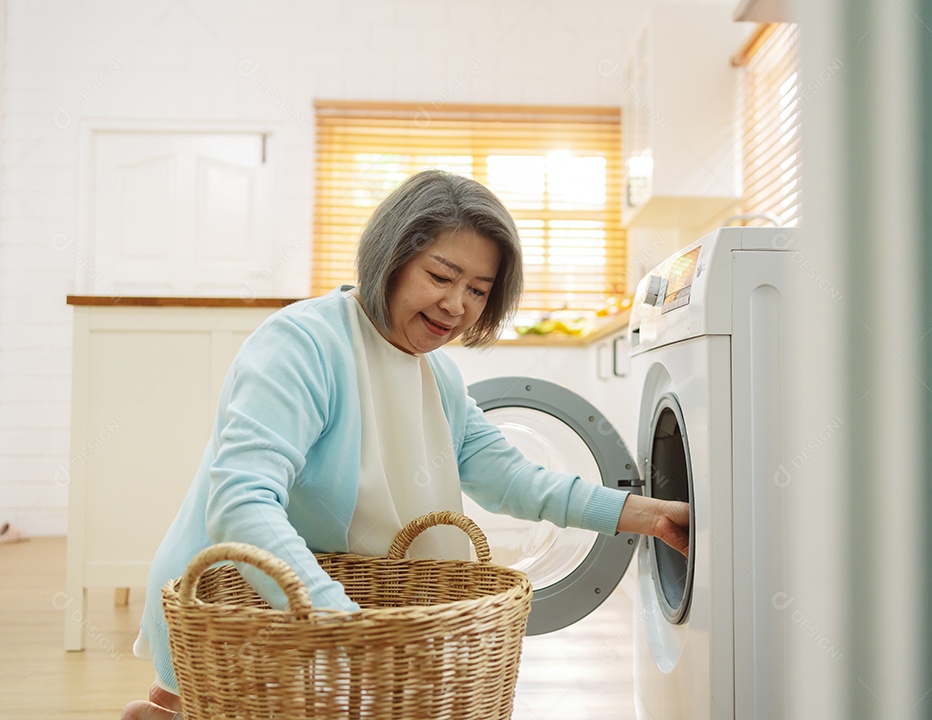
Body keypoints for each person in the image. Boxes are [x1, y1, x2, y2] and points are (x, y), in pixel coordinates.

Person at [121, 170, 690, 720]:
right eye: (440, 277)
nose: (456, 306)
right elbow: (241, 504)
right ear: (390, 258)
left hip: (337, 604)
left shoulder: (436, 376)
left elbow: (509, 477)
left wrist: (642, 513)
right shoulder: (302, 345)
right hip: (239, 603)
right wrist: (340, 622)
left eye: (477, 290)